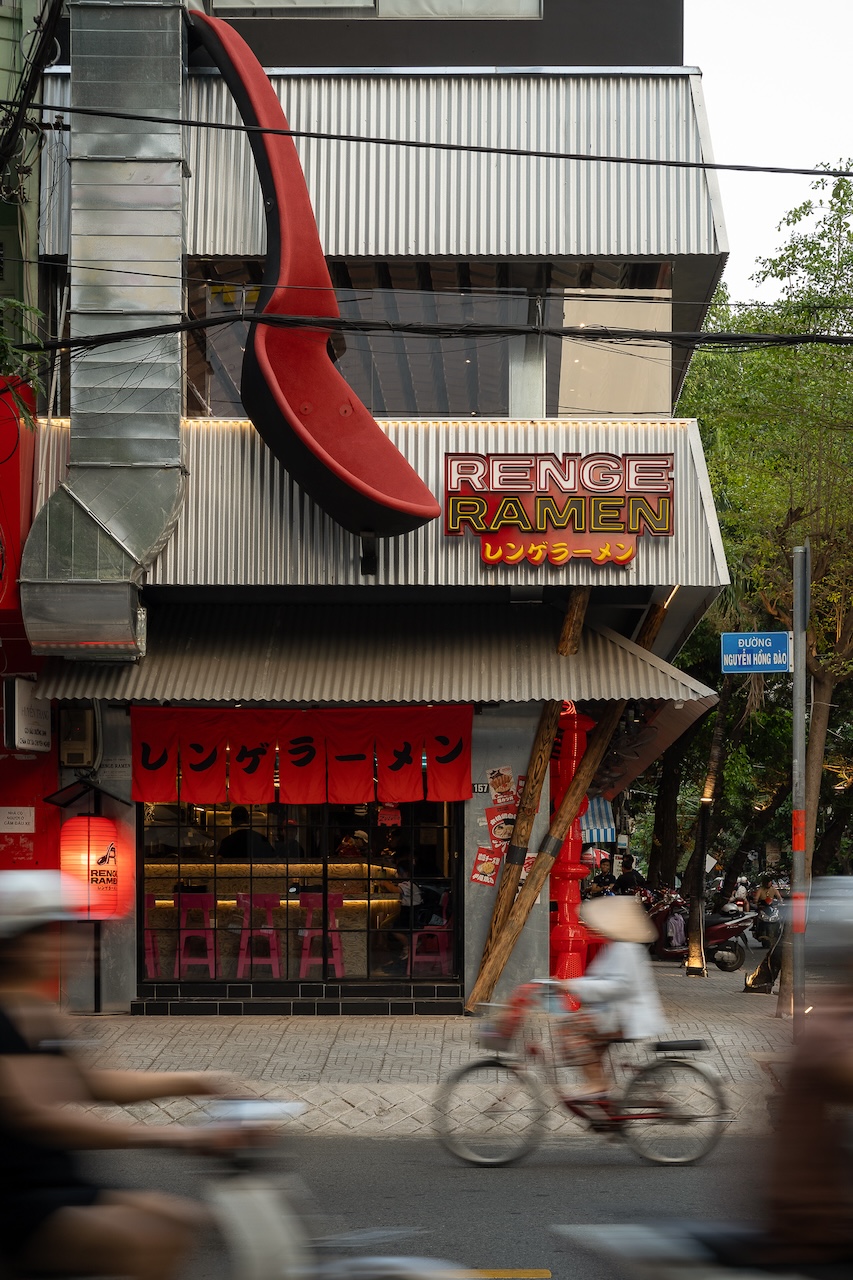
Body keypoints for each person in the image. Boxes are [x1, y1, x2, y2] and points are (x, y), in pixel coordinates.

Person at [0, 870, 257, 1280]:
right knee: (146, 1239)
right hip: (15, 1195)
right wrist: (176, 1137)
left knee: (184, 1220)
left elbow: (98, 1083)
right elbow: (35, 1116)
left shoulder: (43, 1011)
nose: (75, 943)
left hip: (53, 1180)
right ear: (14, 943)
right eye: (54, 932)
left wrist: (204, 1081)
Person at [562, 894, 665, 1097]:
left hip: (624, 1016)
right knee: (587, 1038)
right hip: (616, 1012)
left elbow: (616, 986)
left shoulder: (624, 949)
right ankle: (600, 1088)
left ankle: (596, 1084)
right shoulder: (618, 947)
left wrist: (573, 985)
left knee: (571, 1029)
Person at [379, 850, 426, 974]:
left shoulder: (409, 884)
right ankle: (405, 949)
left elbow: (395, 890)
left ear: (406, 873)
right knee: (391, 928)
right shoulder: (411, 884)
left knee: (395, 929)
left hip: (411, 914)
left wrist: (385, 883)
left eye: (399, 873)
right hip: (409, 913)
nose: (398, 876)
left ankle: (409, 946)